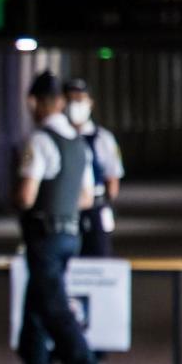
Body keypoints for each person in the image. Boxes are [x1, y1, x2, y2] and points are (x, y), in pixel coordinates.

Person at [12, 71, 115, 364]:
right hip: (71, 234)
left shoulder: (40, 141)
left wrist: (23, 199)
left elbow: (27, 196)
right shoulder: (77, 143)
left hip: (44, 236)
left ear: (39, 103)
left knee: (55, 311)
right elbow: (86, 197)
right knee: (35, 309)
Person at [64, 77, 124, 257]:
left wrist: (106, 204)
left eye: (80, 99)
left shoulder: (102, 138)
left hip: (95, 207)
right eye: (70, 99)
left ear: (90, 103)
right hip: (65, 207)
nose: (75, 104)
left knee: (99, 255)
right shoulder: (58, 138)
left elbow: (112, 178)